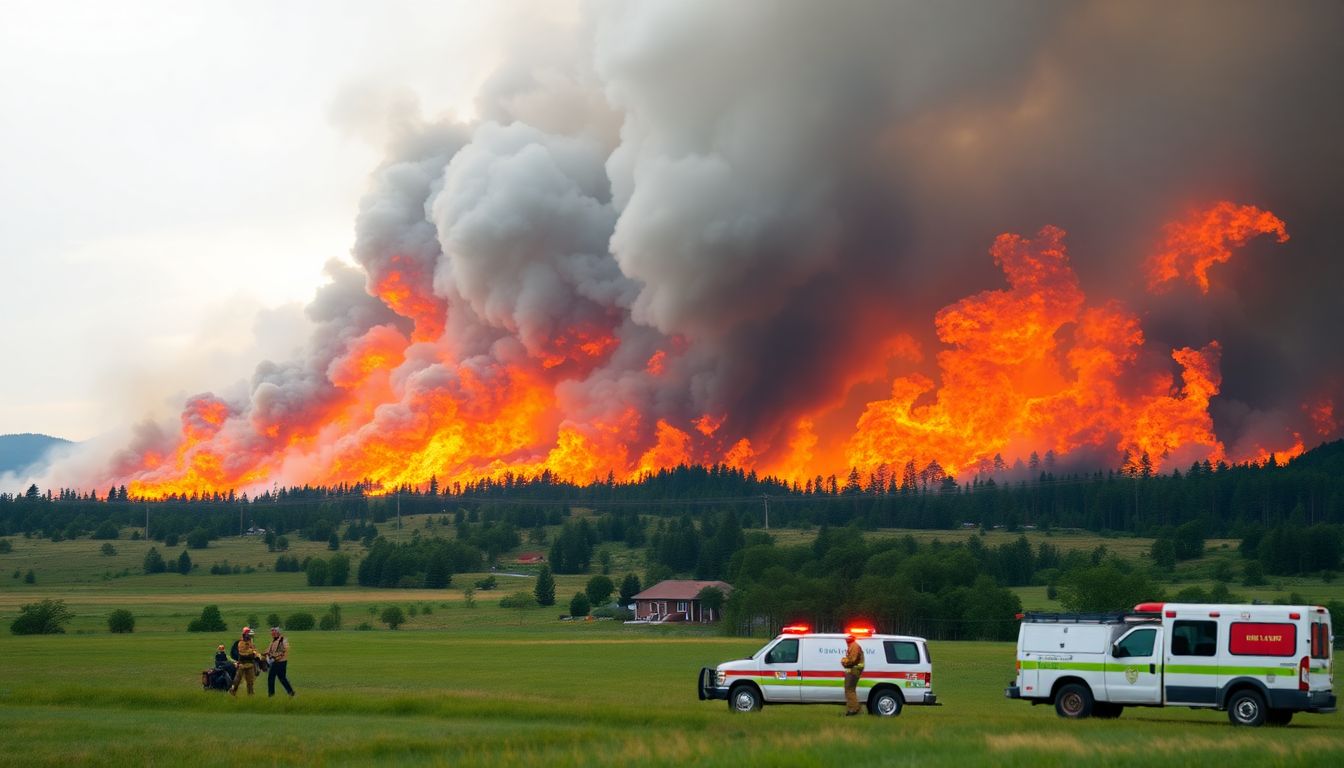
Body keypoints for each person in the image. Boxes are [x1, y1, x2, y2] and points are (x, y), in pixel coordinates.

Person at [229, 626, 262, 696]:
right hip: (242, 664)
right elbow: (242, 652)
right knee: (237, 680)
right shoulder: (241, 642)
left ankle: (251, 695)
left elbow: (254, 650)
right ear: (245, 634)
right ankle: (232, 691)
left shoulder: (251, 642)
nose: (250, 636)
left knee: (250, 681)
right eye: (248, 634)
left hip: (250, 664)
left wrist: (257, 655)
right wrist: (252, 652)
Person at [265, 626, 295, 697]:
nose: (272, 633)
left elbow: (283, 651)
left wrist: (274, 658)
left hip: (279, 662)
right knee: (282, 678)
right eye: (272, 631)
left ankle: (271, 695)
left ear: (278, 632)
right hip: (277, 661)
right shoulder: (274, 640)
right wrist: (263, 654)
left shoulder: (282, 640)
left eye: (274, 631)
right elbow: (269, 649)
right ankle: (291, 692)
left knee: (271, 677)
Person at [840, 632, 865, 716]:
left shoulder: (854, 646)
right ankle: (854, 708)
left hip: (853, 671)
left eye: (847, 640)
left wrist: (844, 662)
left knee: (849, 690)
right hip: (853, 670)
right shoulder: (853, 646)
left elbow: (853, 660)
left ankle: (854, 709)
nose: (846, 641)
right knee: (850, 690)